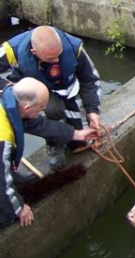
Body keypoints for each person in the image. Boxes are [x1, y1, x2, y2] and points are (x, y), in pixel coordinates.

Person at [0, 25, 102, 170]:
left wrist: (92, 110)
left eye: (59, 55)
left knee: (78, 143)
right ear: (34, 52)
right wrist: (8, 88)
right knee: (52, 110)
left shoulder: (74, 47)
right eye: (51, 58)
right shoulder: (12, 49)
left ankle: (72, 135)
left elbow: (90, 79)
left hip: (66, 89)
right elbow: (35, 124)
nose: (56, 60)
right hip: (33, 90)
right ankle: (53, 145)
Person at [0, 78, 98, 228]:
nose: (44, 109)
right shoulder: (3, 137)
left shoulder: (9, 99)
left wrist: (76, 134)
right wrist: (18, 209)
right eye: (41, 107)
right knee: (7, 214)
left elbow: (40, 125)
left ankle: (11, 177)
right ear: (27, 107)